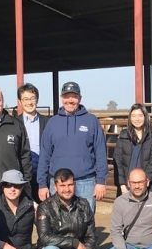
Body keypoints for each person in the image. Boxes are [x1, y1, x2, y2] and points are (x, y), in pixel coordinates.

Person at [35, 168, 107, 249]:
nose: (67, 189)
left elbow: (91, 237)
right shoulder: (45, 207)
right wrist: (74, 242)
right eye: (62, 185)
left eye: (70, 185)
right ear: (55, 186)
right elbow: (44, 238)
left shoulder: (84, 205)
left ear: (75, 185)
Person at [37, 81, 108, 213]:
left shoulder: (91, 121)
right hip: (59, 183)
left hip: (85, 181)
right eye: (67, 96)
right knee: (58, 222)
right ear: (61, 98)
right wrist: (42, 184)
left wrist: (101, 181)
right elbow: (45, 155)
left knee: (85, 222)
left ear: (80, 98)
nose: (70, 100)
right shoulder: (52, 123)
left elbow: (100, 152)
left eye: (74, 96)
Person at [113, 102, 152, 196]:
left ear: (145, 117)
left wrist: (145, 182)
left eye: (140, 115)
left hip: (148, 186)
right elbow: (118, 161)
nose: (137, 119)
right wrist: (122, 184)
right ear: (130, 118)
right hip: (127, 186)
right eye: (133, 116)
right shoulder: (123, 136)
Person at [16, 83, 49, 197]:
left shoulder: (47, 122)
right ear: (20, 101)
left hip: (43, 174)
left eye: (32, 98)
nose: (29, 102)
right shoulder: (14, 123)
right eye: (25, 99)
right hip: (22, 174)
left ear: (37, 100)